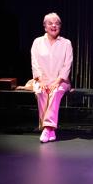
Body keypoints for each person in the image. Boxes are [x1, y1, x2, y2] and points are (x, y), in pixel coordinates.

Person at [31, 12, 73, 143]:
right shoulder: (37, 42)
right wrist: (41, 80)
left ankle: (47, 128)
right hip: (41, 80)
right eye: (50, 23)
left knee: (56, 91)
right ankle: (51, 130)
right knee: (40, 91)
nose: (54, 25)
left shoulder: (66, 43)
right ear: (45, 26)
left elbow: (67, 64)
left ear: (60, 26)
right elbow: (35, 62)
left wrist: (58, 80)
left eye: (57, 23)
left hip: (61, 80)